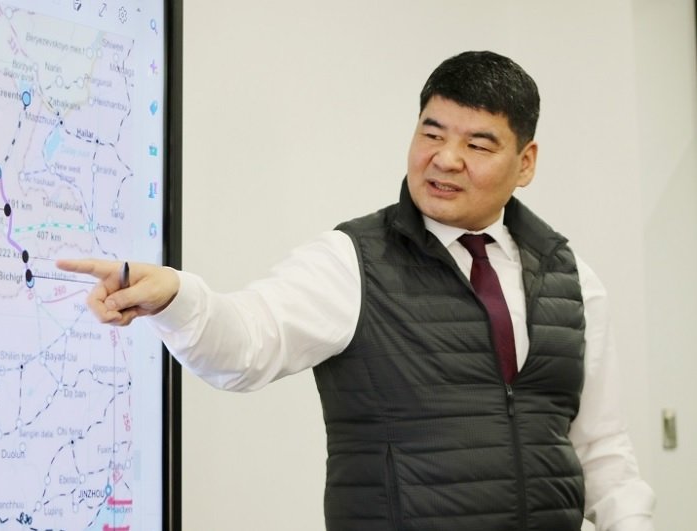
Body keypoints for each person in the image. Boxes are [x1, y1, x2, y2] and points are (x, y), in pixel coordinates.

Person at [57, 51, 655, 531]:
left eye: (477, 145)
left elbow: (600, 447)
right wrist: (177, 296)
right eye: (431, 133)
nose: (446, 159)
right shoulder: (351, 261)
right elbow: (244, 345)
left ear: (525, 163)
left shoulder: (571, 279)